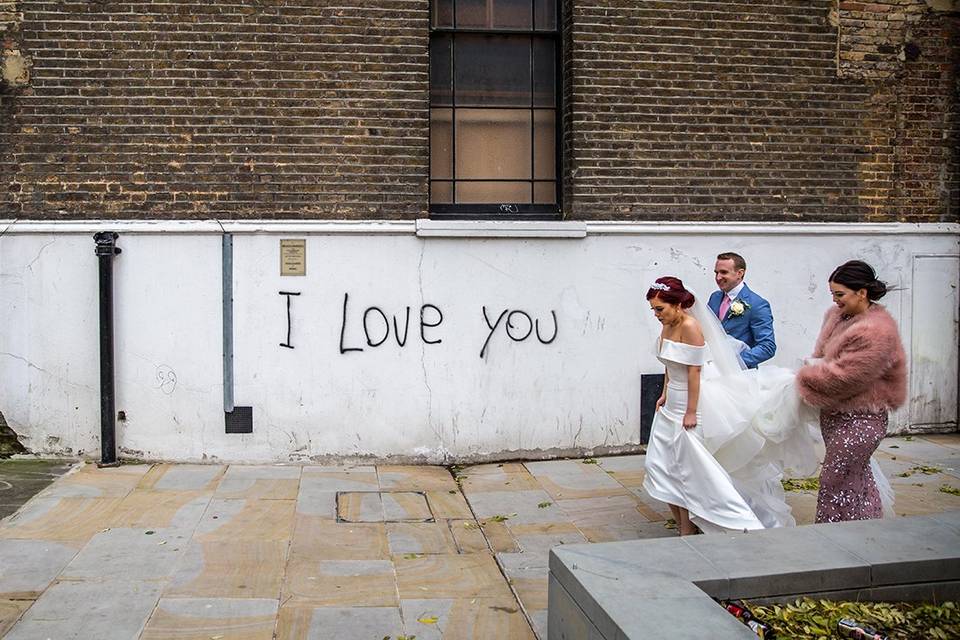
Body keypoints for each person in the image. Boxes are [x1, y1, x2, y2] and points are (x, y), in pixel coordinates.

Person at [642, 276, 771, 535]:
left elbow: (694, 372)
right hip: (670, 405)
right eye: (653, 309)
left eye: (660, 309)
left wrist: (691, 411)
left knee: (690, 471)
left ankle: (697, 528)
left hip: (690, 403)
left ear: (677, 304)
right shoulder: (666, 324)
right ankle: (683, 526)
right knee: (660, 466)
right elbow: (668, 362)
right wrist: (664, 392)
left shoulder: (691, 327)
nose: (656, 314)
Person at [796, 260, 907, 523]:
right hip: (834, 414)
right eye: (832, 294)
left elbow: (846, 377)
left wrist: (805, 375)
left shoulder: (876, 330)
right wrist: (816, 364)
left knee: (834, 479)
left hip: (862, 419)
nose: (835, 300)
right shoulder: (836, 316)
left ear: (862, 293)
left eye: (840, 294)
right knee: (856, 478)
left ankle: (833, 536)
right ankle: (866, 531)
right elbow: (823, 355)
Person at [708, 252, 776, 368]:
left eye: (723, 272)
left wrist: (734, 363)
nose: (718, 277)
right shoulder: (715, 297)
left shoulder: (757, 304)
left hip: (740, 374)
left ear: (740, 273)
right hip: (710, 369)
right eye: (716, 272)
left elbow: (767, 347)